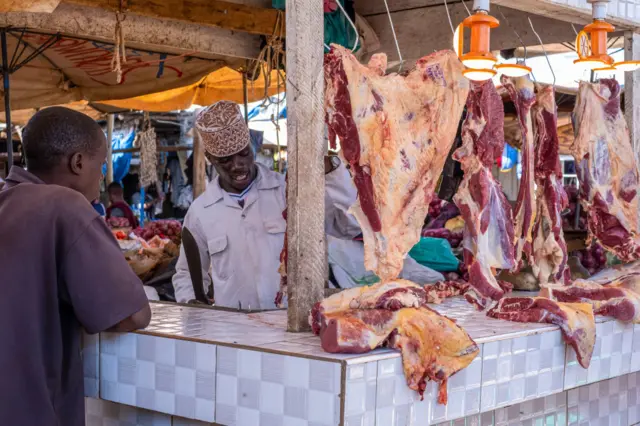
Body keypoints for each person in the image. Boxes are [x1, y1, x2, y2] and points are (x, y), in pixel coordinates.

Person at [0, 107, 151, 425]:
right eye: (102, 165)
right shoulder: (66, 206)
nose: (103, 176)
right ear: (79, 162)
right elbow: (133, 315)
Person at [172, 101, 362, 308]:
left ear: (252, 147)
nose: (237, 165)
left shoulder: (287, 191)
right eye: (225, 160)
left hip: (291, 321)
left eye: (244, 154)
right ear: (210, 159)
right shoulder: (200, 211)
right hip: (233, 329)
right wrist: (191, 302)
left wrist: (331, 172)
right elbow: (186, 273)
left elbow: (349, 226)